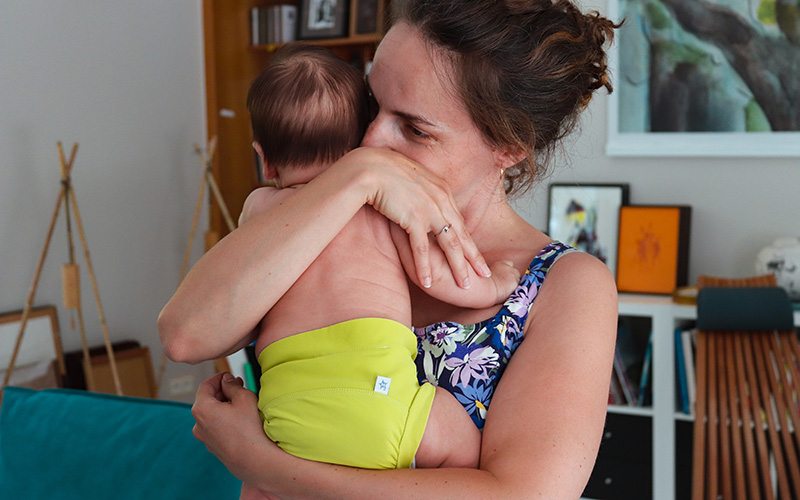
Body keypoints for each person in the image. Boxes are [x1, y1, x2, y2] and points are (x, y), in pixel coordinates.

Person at [158, 0, 621, 498]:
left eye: (415, 128)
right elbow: (185, 336)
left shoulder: (563, 285)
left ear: (506, 146)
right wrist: (359, 177)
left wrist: (265, 466)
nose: (372, 139)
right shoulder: (327, 214)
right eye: (371, 105)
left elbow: (518, 495)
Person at [236, 42, 518, 475]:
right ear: (357, 142)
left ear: (264, 159)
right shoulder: (383, 208)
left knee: (263, 480)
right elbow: (437, 278)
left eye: (414, 127)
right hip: (381, 402)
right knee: (459, 443)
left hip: (285, 410)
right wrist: (497, 283)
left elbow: (244, 288)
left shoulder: (258, 209)